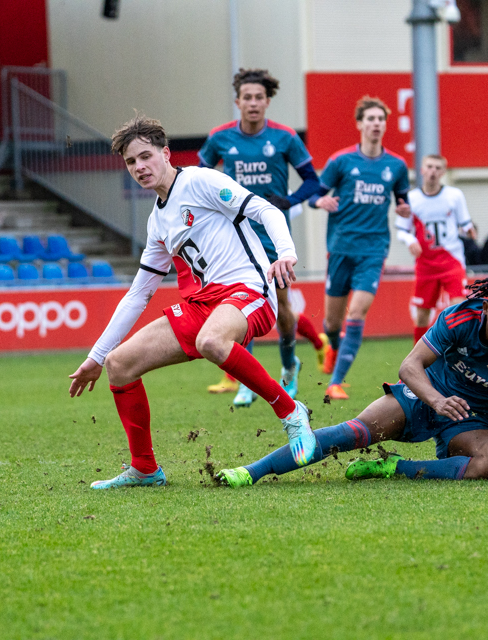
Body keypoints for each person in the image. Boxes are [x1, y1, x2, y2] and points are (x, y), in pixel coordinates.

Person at [68, 114, 316, 489]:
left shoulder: (200, 180)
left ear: (166, 153)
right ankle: (145, 469)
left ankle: (291, 412)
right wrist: (96, 357)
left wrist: (285, 252)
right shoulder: (157, 223)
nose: (139, 167)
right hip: (204, 304)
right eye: (131, 162)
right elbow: (139, 294)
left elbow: (265, 210)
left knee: (211, 341)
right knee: (120, 365)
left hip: (249, 290)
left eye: (145, 156)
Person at [215, 274, 488, 487]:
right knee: (351, 432)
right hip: (423, 396)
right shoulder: (460, 316)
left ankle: (396, 468)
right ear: (486, 307)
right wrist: (436, 399)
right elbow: (410, 366)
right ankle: (251, 471)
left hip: (477, 424)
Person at [198, 68, 328, 405]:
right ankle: (246, 380)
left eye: (259, 98)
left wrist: (290, 200)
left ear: (267, 101)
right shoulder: (220, 138)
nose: (253, 103)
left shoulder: (284, 138)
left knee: (282, 304)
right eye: (247, 98)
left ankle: (288, 368)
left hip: (272, 235)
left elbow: (313, 182)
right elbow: (197, 179)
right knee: (237, 304)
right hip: (235, 237)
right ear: (237, 102)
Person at [309, 96, 411, 400]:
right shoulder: (341, 161)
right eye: (371, 119)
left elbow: (403, 199)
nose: (376, 123)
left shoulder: (396, 165)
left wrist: (405, 208)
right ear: (360, 124)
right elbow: (315, 192)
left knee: (357, 314)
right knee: (333, 322)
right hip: (340, 248)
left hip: (373, 250)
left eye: (381, 119)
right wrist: (319, 201)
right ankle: (332, 349)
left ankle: (336, 382)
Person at [395, 154, 476, 344]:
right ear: (421, 170)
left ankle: (460, 356)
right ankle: (417, 359)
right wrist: (409, 240)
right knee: (422, 316)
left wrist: (469, 229)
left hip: (452, 262)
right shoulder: (411, 199)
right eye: (429, 167)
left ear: (443, 172)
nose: (433, 171)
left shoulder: (454, 196)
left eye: (437, 168)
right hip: (426, 265)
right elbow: (401, 230)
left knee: (459, 308)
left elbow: (465, 222)